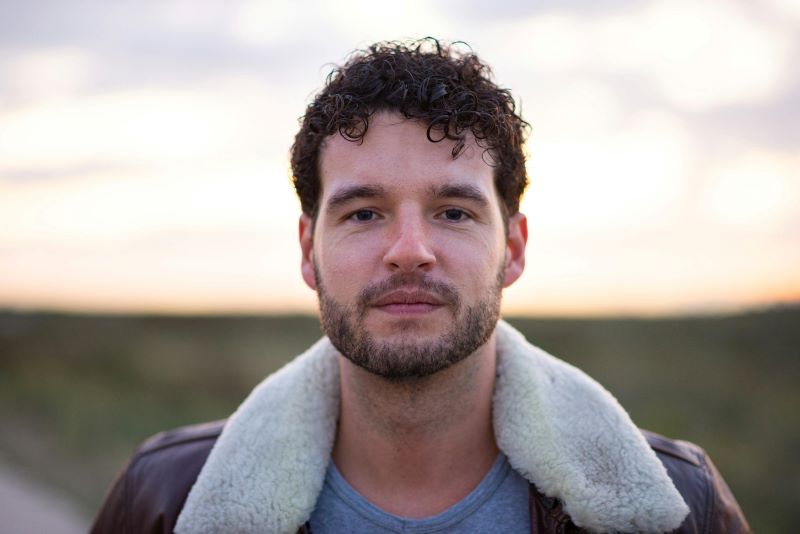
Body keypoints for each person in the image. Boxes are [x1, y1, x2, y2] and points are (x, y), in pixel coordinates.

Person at [91, 38, 749, 534]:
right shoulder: (164, 499)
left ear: (513, 249)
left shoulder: (681, 505)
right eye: (364, 213)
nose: (410, 252)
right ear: (307, 250)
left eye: (454, 212)